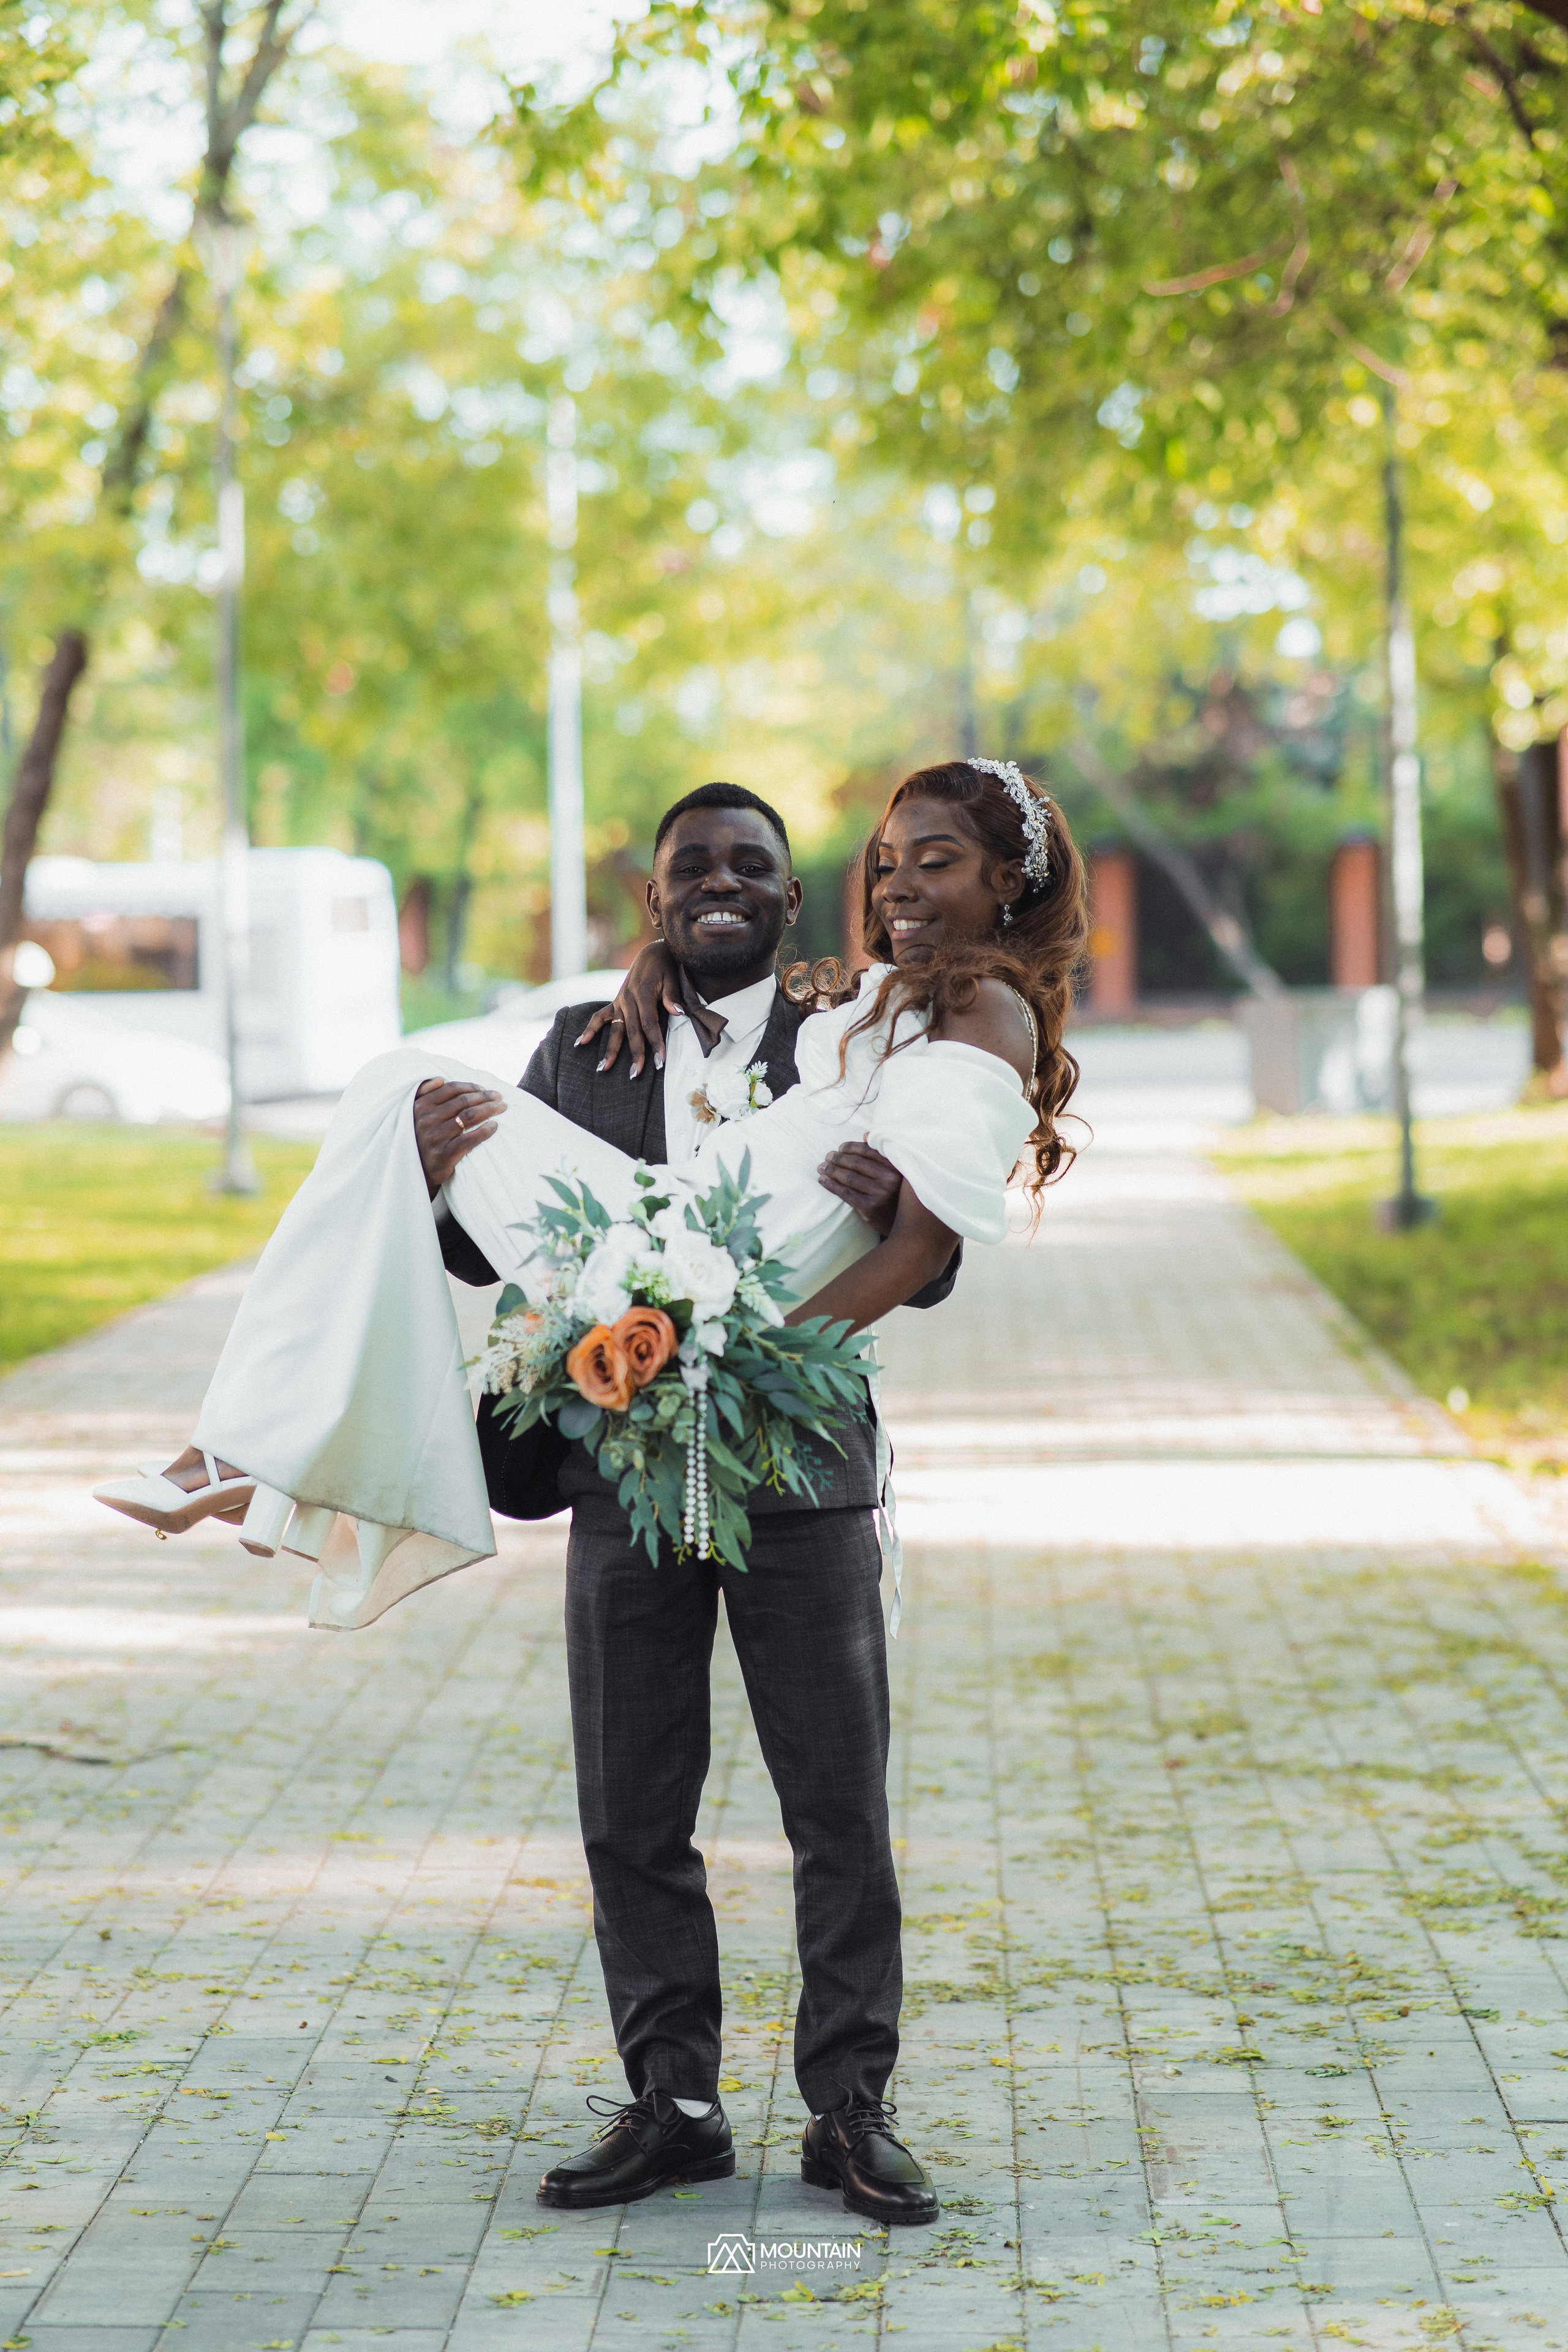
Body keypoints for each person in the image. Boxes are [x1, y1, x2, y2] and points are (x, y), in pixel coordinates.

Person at [91, 756, 1089, 2226]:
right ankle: (673, 2105)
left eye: (755, 867)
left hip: (789, 1453)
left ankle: (849, 2111)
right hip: (623, 1447)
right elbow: (499, 1264)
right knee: (633, 1804)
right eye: (692, 872)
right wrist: (435, 1183)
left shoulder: (854, 1015)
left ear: (791, 888)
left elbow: (926, 1252)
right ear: (655, 896)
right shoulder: (590, 1044)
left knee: (835, 1807)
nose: (723, 891)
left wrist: (782, 1321)